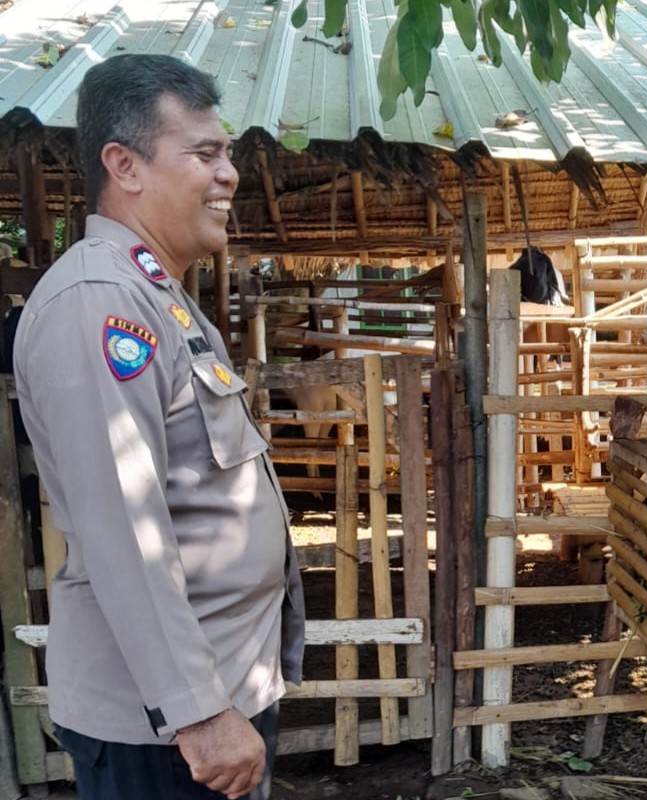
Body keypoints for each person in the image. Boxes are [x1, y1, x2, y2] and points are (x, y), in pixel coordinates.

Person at [13, 54, 304, 799]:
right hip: (165, 727)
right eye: (204, 153)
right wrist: (200, 712)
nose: (229, 173)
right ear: (125, 165)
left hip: (212, 694)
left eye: (227, 152)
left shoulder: (154, 293)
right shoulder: (97, 306)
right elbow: (122, 528)